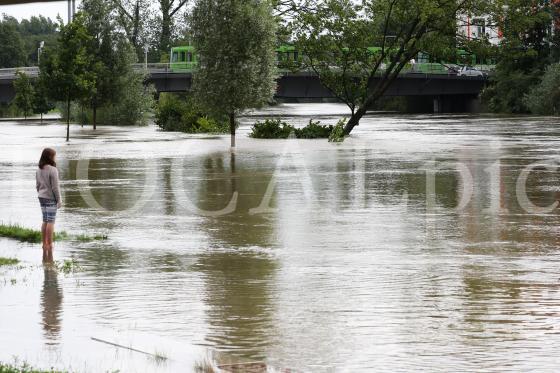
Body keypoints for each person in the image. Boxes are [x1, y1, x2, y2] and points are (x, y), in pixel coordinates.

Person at [36, 148, 62, 261]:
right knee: (51, 221)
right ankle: (50, 244)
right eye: (54, 156)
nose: (55, 158)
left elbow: (37, 185)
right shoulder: (53, 170)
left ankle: (44, 244)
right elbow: (55, 187)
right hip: (50, 197)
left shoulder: (39, 169)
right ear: (50, 157)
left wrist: (41, 193)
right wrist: (59, 200)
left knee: (45, 220)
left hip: (41, 196)